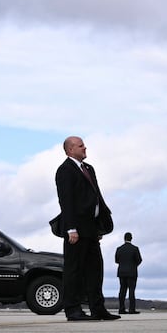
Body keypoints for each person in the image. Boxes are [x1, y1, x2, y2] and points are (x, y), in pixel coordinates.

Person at [55, 135, 118, 321]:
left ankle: (98, 308)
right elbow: (66, 201)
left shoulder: (89, 169)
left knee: (95, 269)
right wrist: (71, 229)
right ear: (70, 150)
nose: (85, 148)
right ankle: (73, 309)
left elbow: (96, 196)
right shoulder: (65, 170)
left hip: (92, 228)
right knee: (73, 270)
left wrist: (100, 225)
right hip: (76, 229)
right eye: (81, 146)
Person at [115, 232, 142, 314]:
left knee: (122, 291)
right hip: (132, 272)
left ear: (124, 238)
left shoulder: (119, 249)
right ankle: (131, 309)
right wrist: (134, 265)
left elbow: (116, 260)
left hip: (122, 272)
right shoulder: (135, 248)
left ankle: (121, 309)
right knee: (131, 291)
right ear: (131, 238)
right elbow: (139, 260)